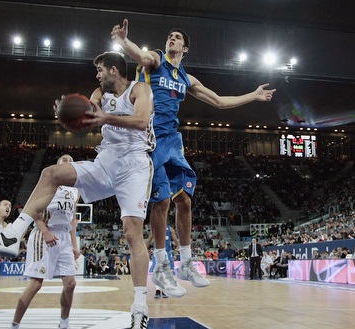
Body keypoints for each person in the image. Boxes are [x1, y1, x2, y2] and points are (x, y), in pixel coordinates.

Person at [0, 51, 155, 329]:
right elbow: (90, 112)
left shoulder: (140, 89)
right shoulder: (98, 93)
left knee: (132, 233)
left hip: (135, 167)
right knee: (50, 173)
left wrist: (103, 118)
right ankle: (12, 234)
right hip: (105, 162)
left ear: (114, 70)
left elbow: (141, 121)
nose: (97, 75)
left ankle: (139, 308)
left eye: (100, 70)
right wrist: (72, 112)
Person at [111, 19, 276, 297]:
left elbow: (220, 102)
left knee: (185, 200)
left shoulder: (187, 79)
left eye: (177, 38)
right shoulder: (156, 59)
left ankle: (186, 262)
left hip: (172, 141)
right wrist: (123, 40)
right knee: (162, 200)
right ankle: (162, 266)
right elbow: (139, 55)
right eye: (169, 36)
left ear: (185, 48)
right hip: (148, 139)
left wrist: (255, 96)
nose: (171, 39)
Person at [10, 154, 80, 329]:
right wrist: (46, 231)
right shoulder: (48, 183)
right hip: (44, 234)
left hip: (64, 236)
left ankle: (64, 324)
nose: (68, 162)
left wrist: (74, 244)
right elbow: (33, 210)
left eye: (71, 161)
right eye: (64, 160)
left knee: (71, 283)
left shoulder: (75, 190)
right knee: (35, 285)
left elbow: (72, 219)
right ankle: (14, 325)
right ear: (57, 165)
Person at [145, 225, 179, 298]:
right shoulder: (155, 228)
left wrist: (178, 246)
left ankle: (164, 290)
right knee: (157, 271)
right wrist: (145, 248)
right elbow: (150, 239)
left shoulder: (170, 229)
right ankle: (157, 290)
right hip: (158, 251)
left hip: (167, 251)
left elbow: (175, 239)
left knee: (166, 272)